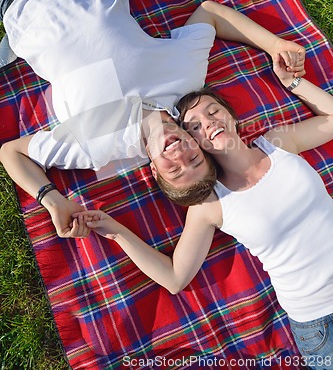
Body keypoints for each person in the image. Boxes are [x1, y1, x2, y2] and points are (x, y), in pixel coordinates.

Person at [0, 0, 305, 238]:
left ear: (156, 172)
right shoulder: (184, 81)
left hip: (13, 1)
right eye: (195, 159)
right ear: (197, 143)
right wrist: (274, 44)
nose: (179, 155)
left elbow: (11, 152)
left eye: (175, 170)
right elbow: (210, 13)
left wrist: (51, 200)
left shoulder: (96, 149)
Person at [72, 54, 333, 367]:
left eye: (214, 111)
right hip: (320, 318)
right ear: (190, 142)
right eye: (194, 125)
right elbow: (174, 277)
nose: (209, 122)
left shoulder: (277, 143)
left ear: (231, 117)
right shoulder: (211, 204)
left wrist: (292, 82)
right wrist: (115, 231)